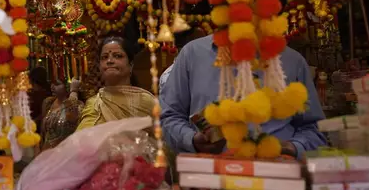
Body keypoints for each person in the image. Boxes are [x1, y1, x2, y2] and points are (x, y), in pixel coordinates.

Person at [160, 35, 326, 157]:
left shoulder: (292, 61)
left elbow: (316, 130)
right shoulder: (193, 55)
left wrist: (291, 147)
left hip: (278, 178)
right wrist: (192, 140)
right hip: (211, 178)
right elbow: (169, 117)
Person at [77, 36, 156, 130]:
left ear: (130, 65)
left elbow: (158, 140)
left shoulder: (146, 101)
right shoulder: (93, 104)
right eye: (104, 57)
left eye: (117, 56)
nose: (109, 61)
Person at [41, 78, 84, 150]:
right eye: (52, 83)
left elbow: (72, 121)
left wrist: (73, 91)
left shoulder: (77, 105)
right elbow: (43, 132)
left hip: (66, 151)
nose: (52, 87)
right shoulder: (48, 102)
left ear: (68, 86)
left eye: (57, 84)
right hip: (47, 151)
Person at [28, 66, 51, 134]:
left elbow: (45, 113)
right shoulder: (47, 92)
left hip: (38, 129)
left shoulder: (44, 94)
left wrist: (34, 120)